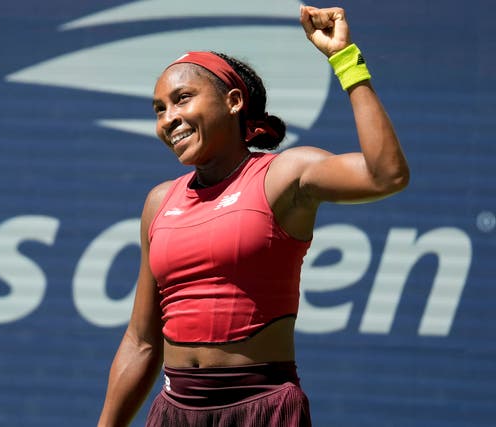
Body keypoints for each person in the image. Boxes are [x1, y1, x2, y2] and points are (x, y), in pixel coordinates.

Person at [97, 5, 409, 427]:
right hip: (173, 412)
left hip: (261, 408)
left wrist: (345, 60)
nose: (169, 119)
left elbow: (385, 174)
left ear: (233, 101)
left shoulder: (284, 175)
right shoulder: (159, 202)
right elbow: (141, 342)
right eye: (159, 109)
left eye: (182, 99)